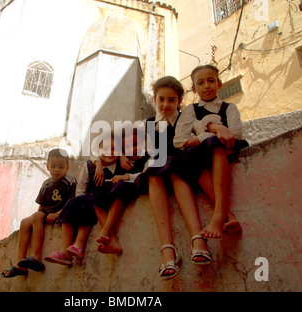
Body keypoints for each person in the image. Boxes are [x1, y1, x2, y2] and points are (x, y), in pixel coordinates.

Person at [134, 76, 211, 281]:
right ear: (155, 99)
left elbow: (204, 133)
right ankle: (168, 250)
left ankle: (198, 239)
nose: (166, 105)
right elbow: (143, 154)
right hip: (158, 175)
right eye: (161, 99)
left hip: (182, 170)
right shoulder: (149, 124)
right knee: (153, 172)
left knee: (174, 168)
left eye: (171, 100)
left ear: (179, 101)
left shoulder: (187, 119)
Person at [174, 64, 249, 239]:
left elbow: (235, 134)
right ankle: (228, 215)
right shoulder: (191, 110)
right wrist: (214, 129)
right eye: (201, 83)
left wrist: (203, 136)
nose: (207, 86)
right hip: (200, 155)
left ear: (219, 83)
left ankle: (218, 215)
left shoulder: (229, 108)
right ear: (194, 88)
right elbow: (179, 140)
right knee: (189, 157)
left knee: (216, 144)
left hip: (226, 149)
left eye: (211, 81)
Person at [44, 133, 124, 265]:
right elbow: (80, 189)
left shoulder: (121, 166)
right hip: (87, 200)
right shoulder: (90, 166)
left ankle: (79, 245)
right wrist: (97, 164)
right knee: (74, 203)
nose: (110, 152)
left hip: (101, 202)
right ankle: (64, 251)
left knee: (88, 203)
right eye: (105, 149)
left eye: (114, 149)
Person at [1, 148, 76, 278]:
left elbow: (73, 202)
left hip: (62, 212)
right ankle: (20, 264)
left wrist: (58, 213)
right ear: (47, 167)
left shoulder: (70, 181)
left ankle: (36, 256)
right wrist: (38, 221)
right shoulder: (47, 183)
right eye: (53, 166)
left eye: (61, 166)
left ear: (67, 167)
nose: (56, 169)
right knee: (25, 222)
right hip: (47, 212)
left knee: (37, 216)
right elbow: (41, 205)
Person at [93, 125, 150, 254]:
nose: (133, 149)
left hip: (134, 187)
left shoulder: (148, 156)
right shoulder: (122, 158)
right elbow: (96, 151)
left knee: (120, 188)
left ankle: (106, 230)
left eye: (136, 144)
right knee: (94, 198)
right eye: (127, 147)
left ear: (143, 141)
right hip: (118, 189)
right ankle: (113, 242)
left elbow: (147, 173)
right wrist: (98, 164)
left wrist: (126, 176)